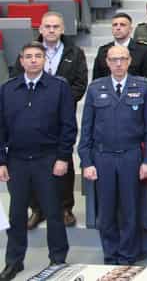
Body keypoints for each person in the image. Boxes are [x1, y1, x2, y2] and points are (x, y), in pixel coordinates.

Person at [0, 43, 78, 281]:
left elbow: (68, 126)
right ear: (21, 61)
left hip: (49, 159)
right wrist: (1, 161)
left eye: (38, 56)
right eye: (28, 56)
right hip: (17, 160)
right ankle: (14, 261)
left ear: (45, 60)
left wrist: (63, 157)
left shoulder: (59, 87)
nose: (33, 60)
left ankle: (58, 259)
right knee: (16, 214)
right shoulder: (7, 89)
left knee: (54, 212)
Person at [79, 45, 147, 265]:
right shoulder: (95, 88)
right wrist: (86, 161)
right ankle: (110, 253)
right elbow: (86, 128)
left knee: (131, 208)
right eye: (114, 59)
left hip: (131, 155)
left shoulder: (143, 86)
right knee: (106, 208)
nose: (119, 63)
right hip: (103, 157)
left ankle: (128, 254)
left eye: (122, 59)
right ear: (107, 62)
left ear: (130, 61)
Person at [19, 12, 87, 228]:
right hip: (31, 117)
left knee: (63, 160)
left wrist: (59, 103)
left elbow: (80, 83)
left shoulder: (75, 53)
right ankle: (37, 209)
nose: (51, 30)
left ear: (62, 29)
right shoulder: (29, 51)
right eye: (47, 26)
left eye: (55, 26)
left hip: (61, 117)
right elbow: (18, 79)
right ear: (40, 29)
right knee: (33, 164)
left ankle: (65, 207)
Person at [94, 12, 147, 80]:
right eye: (115, 25)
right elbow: (96, 80)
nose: (118, 28)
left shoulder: (142, 50)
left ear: (130, 29)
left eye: (122, 25)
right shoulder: (103, 51)